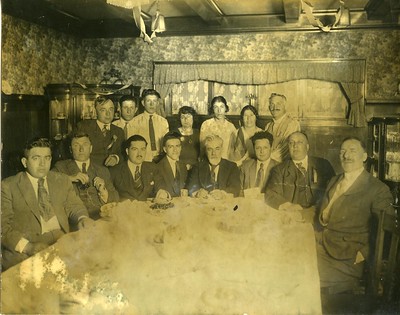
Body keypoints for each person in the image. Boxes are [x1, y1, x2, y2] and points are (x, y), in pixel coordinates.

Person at [315, 137, 395, 294]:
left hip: (346, 257)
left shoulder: (378, 189)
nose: (346, 156)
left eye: (353, 151)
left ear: (364, 157)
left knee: (299, 275)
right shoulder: (334, 180)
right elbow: (321, 211)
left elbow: (386, 232)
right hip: (322, 245)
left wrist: (364, 253)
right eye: (343, 151)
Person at [1, 137, 92, 270]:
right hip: (26, 249)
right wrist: (28, 246)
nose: (42, 164)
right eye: (36, 158)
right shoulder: (8, 186)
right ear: (25, 162)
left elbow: (74, 206)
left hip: (60, 242)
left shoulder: (61, 180)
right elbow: (2, 227)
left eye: (47, 158)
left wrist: (82, 218)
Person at [264, 131, 335, 219]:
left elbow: (333, 191)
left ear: (307, 147)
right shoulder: (279, 170)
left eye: (300, 142)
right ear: (288, 147)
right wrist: (288, 206)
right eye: (291, 143)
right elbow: (270, 194)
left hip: (319, 215)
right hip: (292, 217)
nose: (295, 145)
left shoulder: (323, 165)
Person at [52, 133, 119, 220]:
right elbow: (47, 180)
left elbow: (115, 198)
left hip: (100, 218)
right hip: (74, 219)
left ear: (91, 148)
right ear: (70, 149)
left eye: (85, 144)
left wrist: (103, 191)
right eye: (76, 145)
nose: (81, 149)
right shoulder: (61, 167)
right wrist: (69, 178)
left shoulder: (102, 170)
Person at [76, 96, 125, 167]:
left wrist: (116, 158)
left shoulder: (119, 131)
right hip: (90, 173)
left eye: (111, 109)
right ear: (95, 111)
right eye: (103, 110)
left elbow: (124, 154)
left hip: (112, 174)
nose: (108, 114)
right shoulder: (84, 127)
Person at [110, 135, 162, 201]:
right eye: (135, 149)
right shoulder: (115, 171)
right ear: (127, 151)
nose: (139, 153)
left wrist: (163, 192)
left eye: (143, 149)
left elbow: (160, 186)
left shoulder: (152, 167)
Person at [187, 134, 240, 198]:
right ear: (205, 151)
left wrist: (223, 194)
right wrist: (197, 193)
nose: (213, 153)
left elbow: (235, 189)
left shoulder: (231, 167)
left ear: (222, 149)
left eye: (217, 149)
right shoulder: (197, 167)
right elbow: (191, 187)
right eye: (210, 149)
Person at [129, 89, 169, 162]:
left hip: (161, 160)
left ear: (157, 103)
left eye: (154, 101)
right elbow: (131, 147)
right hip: (142, 160)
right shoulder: (133, 122)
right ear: (143, 103)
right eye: (148, 101)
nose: (151, 104)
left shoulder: (164, 122)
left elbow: (167, 144)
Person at [264, 93, 300, 162]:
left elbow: (285, 149)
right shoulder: (268, 126)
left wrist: (265, 159)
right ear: (269, 107)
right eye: (272, 104)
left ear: (285, 106)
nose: (275, 107)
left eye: (278, 104)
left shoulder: (292, 124)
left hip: (284, 165)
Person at [199, 96, 236, 160]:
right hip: (210, 160)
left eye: (221, 107)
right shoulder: (206, 124)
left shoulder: (231, 127)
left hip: (226, 161)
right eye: (216, 107)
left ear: (225, 108)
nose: (219, 111)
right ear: (212, 109)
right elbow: (202, 148)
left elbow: (235, 148)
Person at [155, 131, 188, 197]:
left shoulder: (183, 165)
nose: (175, 150)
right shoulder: (158, 167)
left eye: (177, 146)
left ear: (181, 147)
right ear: (165, 149)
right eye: (171, 147)